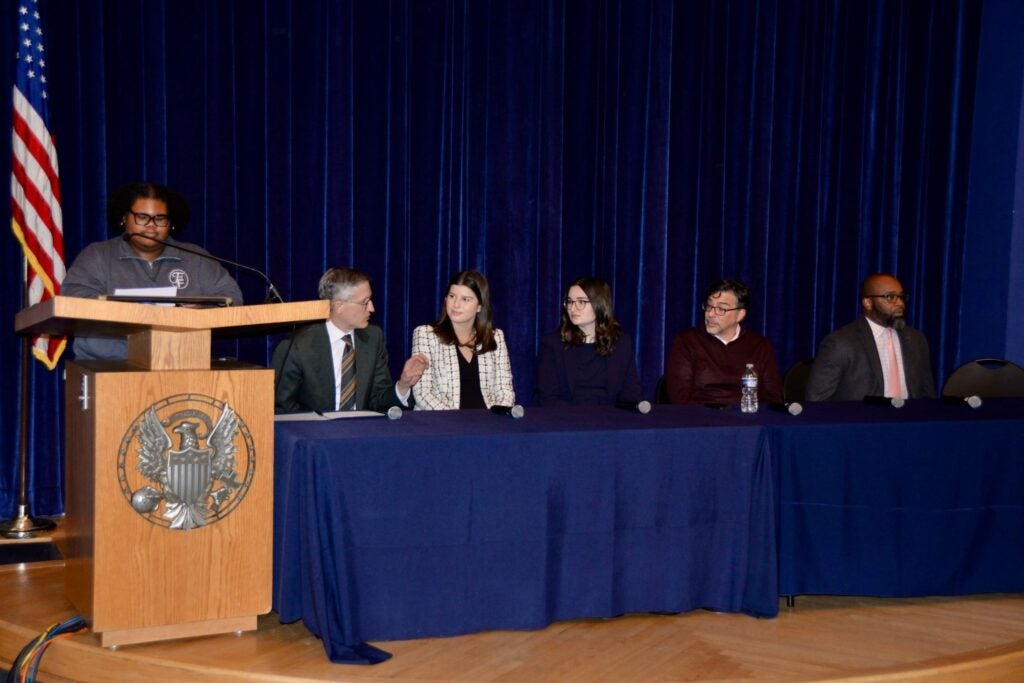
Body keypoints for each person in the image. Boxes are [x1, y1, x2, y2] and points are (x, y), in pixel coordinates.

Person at [62, 181, 243, 360]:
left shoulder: (196, 258)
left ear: (170, 223)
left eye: (160, 218)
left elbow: (231, 298)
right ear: (124, 218)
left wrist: (201, 310)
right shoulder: (97, 255)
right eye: (141, 217)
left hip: (182, 365)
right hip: (106, 368)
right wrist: (129, 312)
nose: (151, 226)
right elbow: (74, 297)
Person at [272, 268, 428, 413]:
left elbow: (378, 401)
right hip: (314, 434)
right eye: (364, 302)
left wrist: (403, 384)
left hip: (361, 433)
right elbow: (283, 407)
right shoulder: (298, 345)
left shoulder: (373, 338)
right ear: (338, 306)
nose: (372, 308)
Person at [806, 273, 936, 401]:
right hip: (862, 420)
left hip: (911, 420)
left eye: (901, 297)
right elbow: (817, 400)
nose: (900, 303)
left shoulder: (916, 339)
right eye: (890, 297)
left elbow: (927, 394)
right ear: (868, 303)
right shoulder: (841, 343)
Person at [665, 279, 783, 406]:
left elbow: (773, 397)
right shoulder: (687, 341)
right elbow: (679, 398)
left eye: (721, 309)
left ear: (740, 315)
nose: (710, 314)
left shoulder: (760, 345)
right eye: (709, 305)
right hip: (701, 419)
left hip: (748, 420)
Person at [411, 270, 515, 409]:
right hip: (442, 423)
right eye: (452, 296)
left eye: (465, 299)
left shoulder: (496, 337)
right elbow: (422, 394)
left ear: (479, 306)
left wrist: (496, 419)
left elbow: (505, 391)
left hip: (488, 423)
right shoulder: (426, 334)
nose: (456, 304)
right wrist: (455, 421)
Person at [536, 277, 642, 406]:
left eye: (581, 302)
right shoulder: (552, 344)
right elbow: (549, 398)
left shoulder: (621, 343)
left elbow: (631, 394)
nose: (572, 308)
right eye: (569, 302)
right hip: (567, 420)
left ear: (599, 305)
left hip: (611, 420)